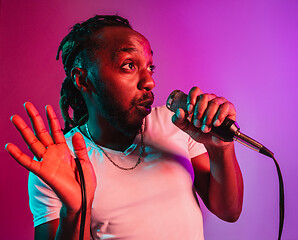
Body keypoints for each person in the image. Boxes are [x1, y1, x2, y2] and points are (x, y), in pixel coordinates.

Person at [5, 15, 244, 240]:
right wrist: (77, 210)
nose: (149, 81)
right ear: (83, 79)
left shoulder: (177, 125)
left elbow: (228, 211)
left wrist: (220, 148)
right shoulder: (58, 161)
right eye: (129, 65)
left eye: (150, 67)